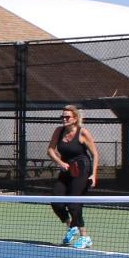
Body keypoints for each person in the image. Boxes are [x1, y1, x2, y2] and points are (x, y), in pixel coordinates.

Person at [46, 105, 100, 249]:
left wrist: (94, 174)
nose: (64, 119)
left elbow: (95, 154)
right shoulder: (59, 131)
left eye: (67, 117)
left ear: (75, 119)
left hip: (82, 169)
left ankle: (85, 237)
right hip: (66, 168)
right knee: (55, 201)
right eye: (62, 117)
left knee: (73, 204)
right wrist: (60, 162)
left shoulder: (83, 133)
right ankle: (71, 226)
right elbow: (50, 150)